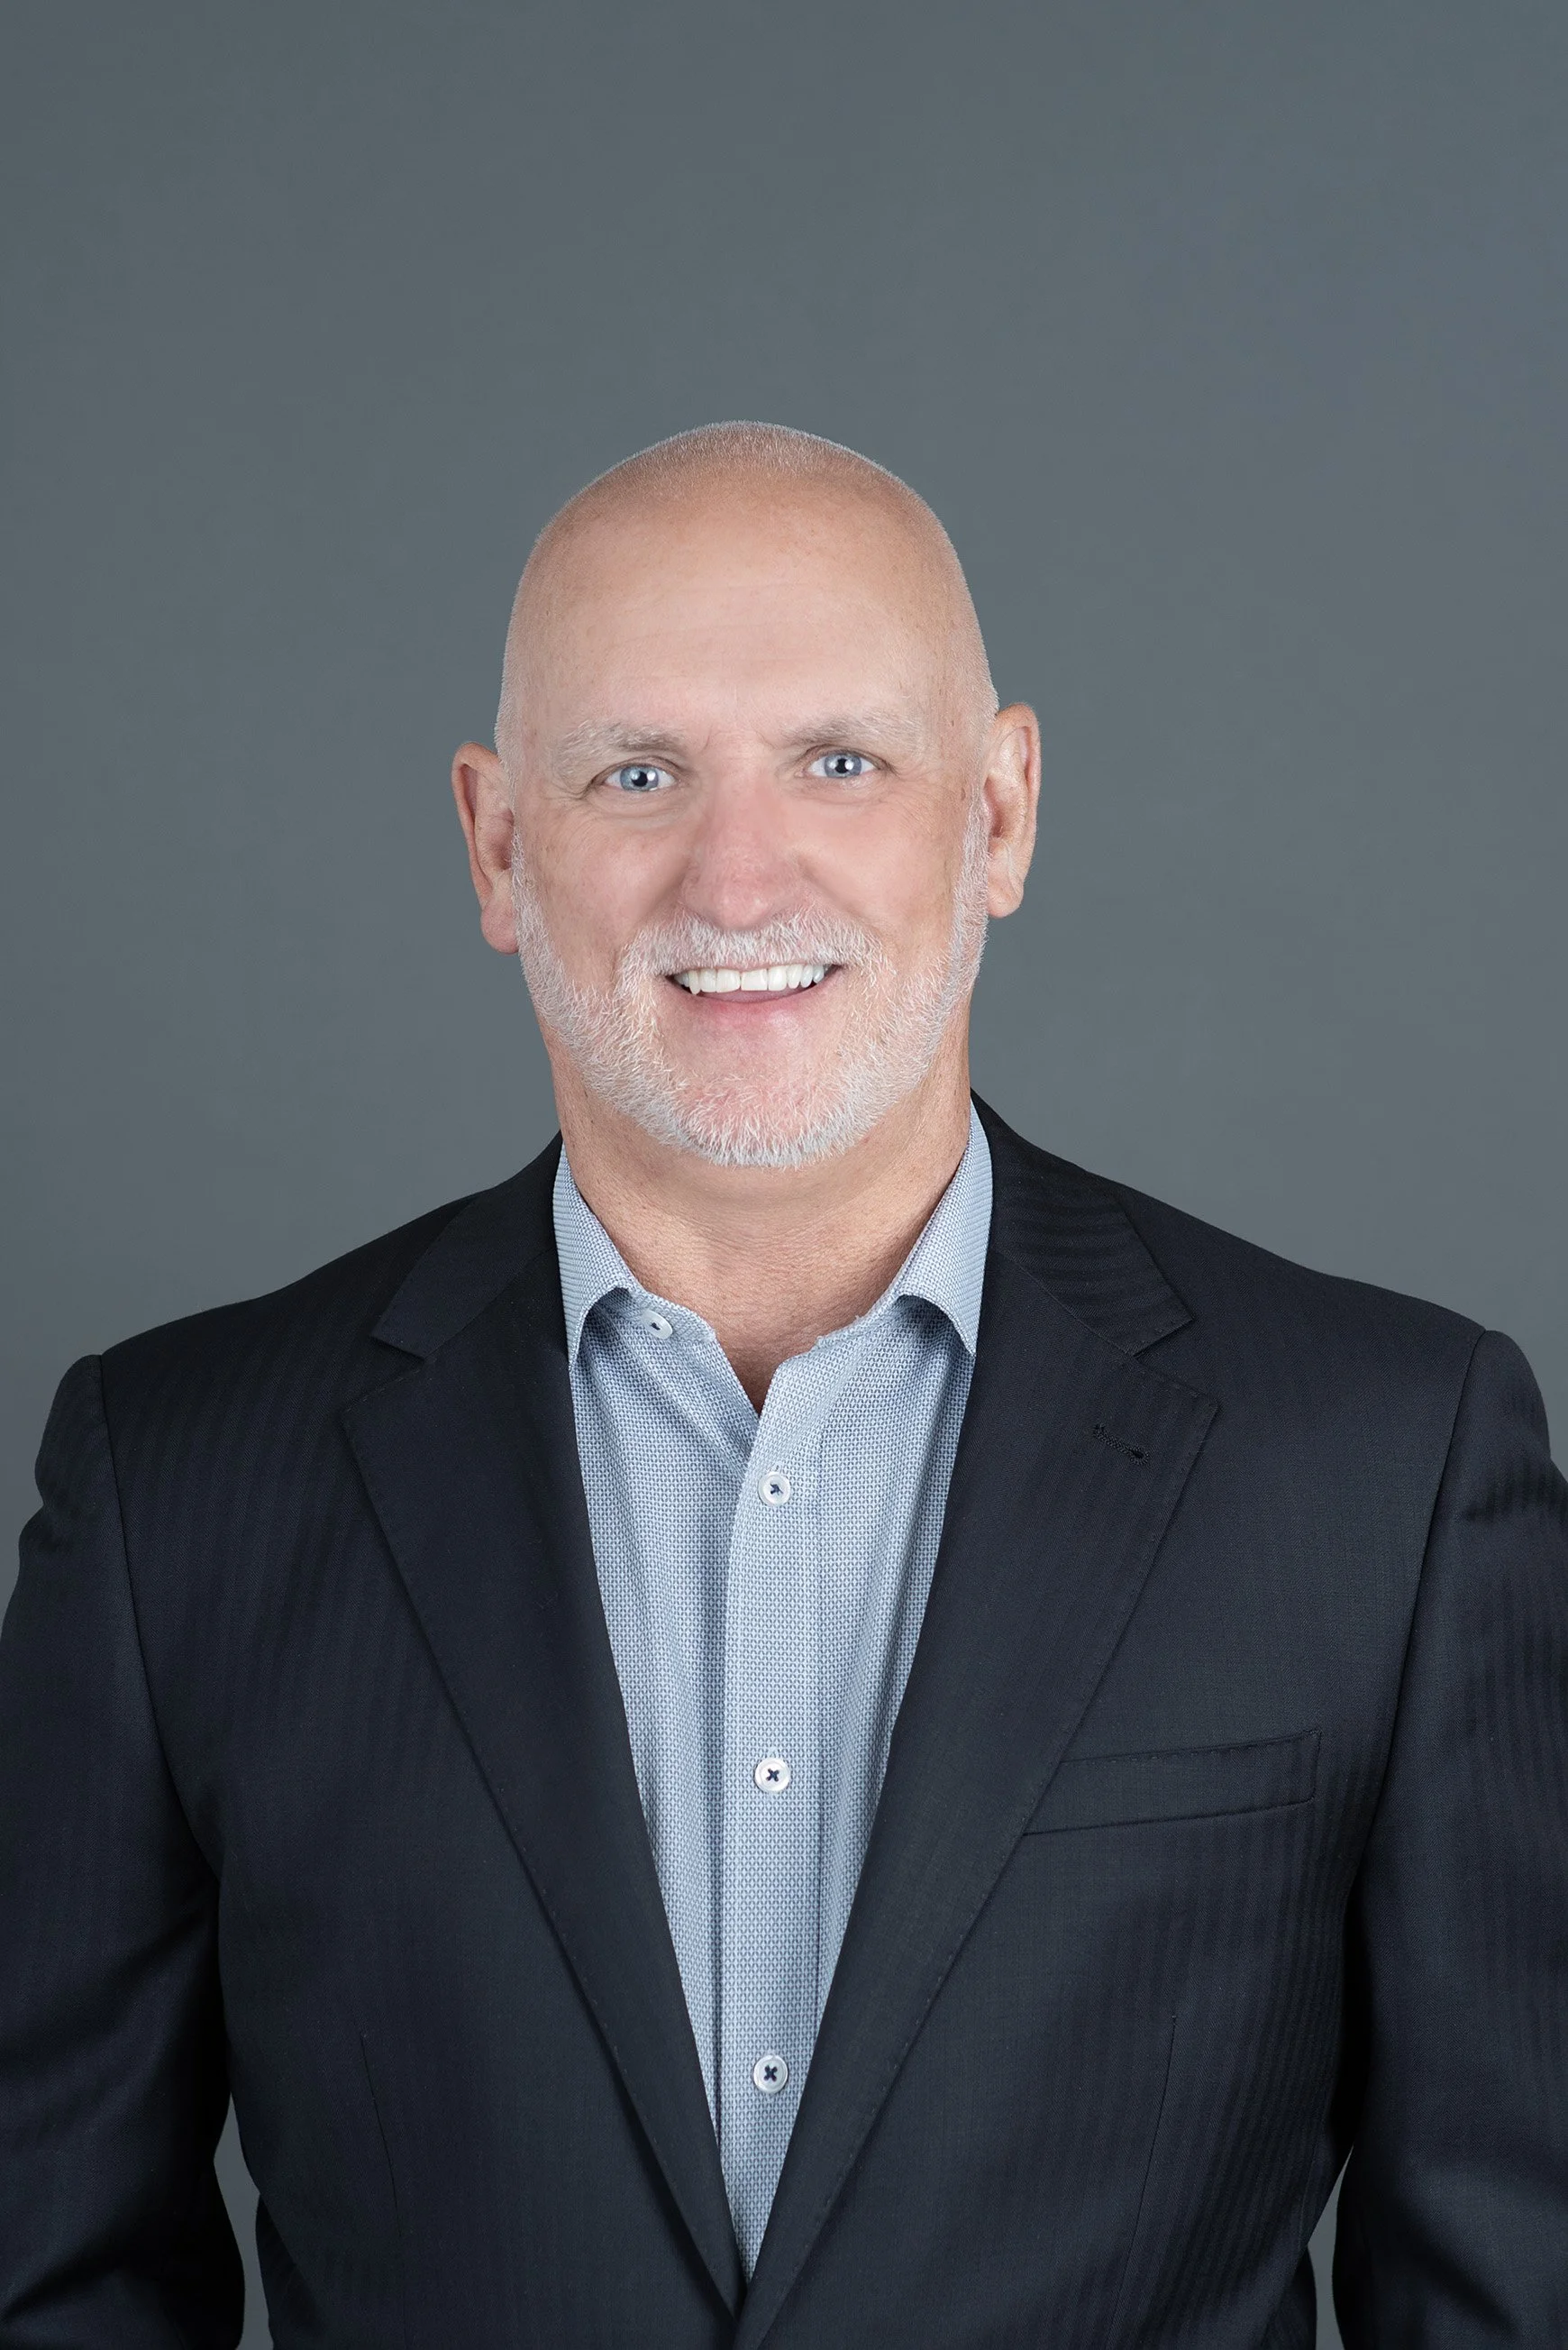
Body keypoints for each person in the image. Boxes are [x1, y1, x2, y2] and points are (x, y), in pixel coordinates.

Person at [2, 423, 1564, 2349]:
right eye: (637, 772)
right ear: (499, 843)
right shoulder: (177, 1491)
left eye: (841, 762)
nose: (736, 880)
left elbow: (1512, 2284)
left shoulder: (1387, 1472)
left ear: (998, 814)